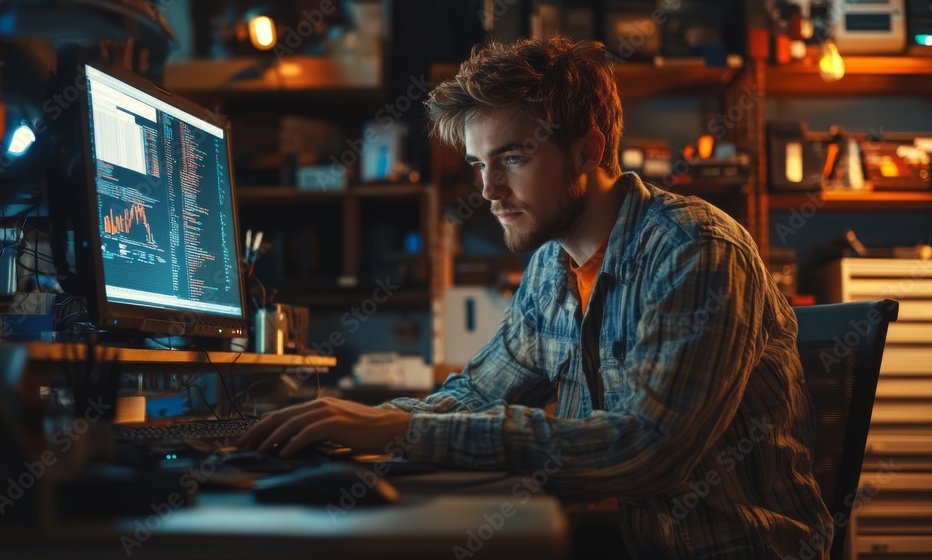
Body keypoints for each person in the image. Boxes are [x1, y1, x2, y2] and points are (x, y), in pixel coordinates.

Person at [239, 36, 832, 559]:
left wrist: (399, 435)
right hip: (623, 541)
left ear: (587, 150)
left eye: (513, 158)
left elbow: (649, 449)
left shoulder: (695, 250)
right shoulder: (553, 264)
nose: (489, 190)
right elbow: (477, 392)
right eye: (477, 165)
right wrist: (363, 422)